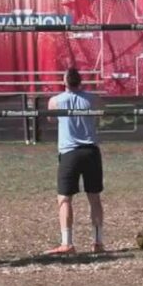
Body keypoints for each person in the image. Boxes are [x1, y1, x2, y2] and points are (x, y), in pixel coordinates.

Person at [46, 67, 105, 255]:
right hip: (91, 152)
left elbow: (50, 120)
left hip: (70, 153)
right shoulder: (93, 99)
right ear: (81, 81)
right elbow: (100, 116)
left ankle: (67, 243)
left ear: (65, 81)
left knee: (64, 199)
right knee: (94, 198)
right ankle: (98, 242)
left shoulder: (55, 101)